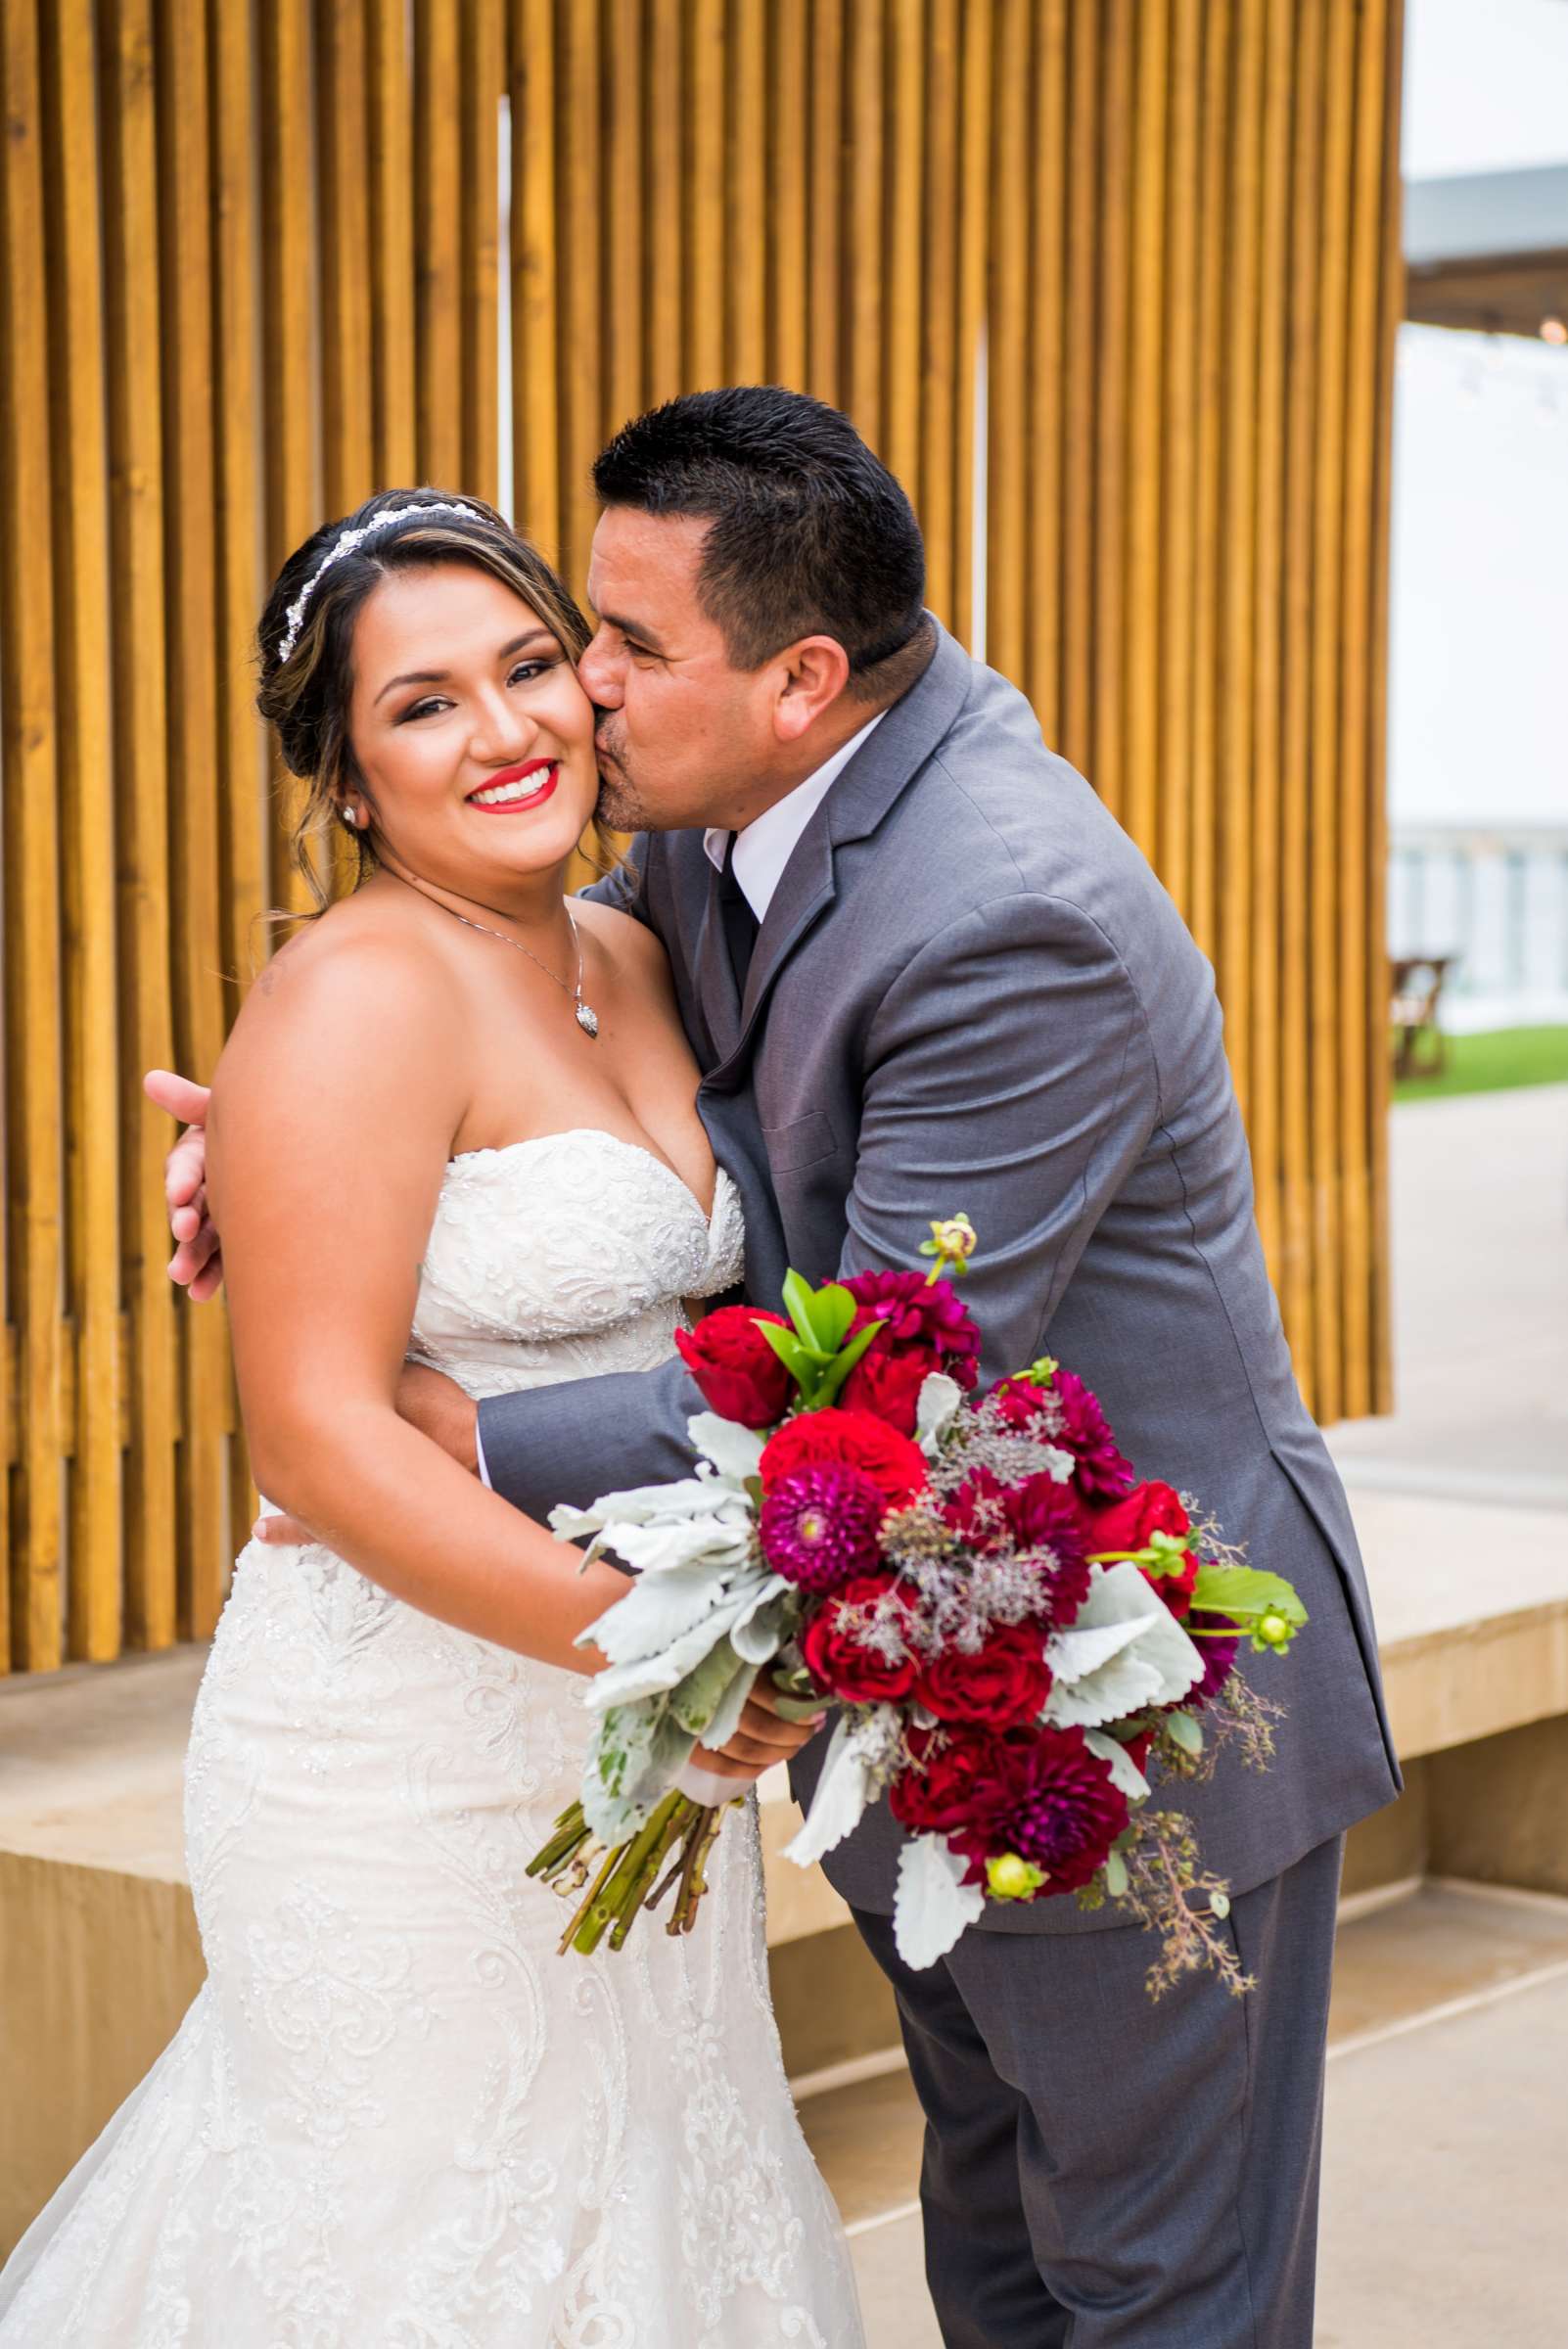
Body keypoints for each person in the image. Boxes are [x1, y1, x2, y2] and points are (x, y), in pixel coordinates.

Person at [156, 387, 1401, 2348]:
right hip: (562, 1734)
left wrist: (467, 1422)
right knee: (981, 2251)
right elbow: (417, 1083)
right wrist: (279, 1141)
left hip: (1126, 1707)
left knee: (1157, 2296)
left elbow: (885, 1381)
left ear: (804, 680)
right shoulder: (688, 852)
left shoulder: (994, 911)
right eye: (451, 693)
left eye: (591, 657)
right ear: (343, 768)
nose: (559, 712)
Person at [0, 489, 864, 2348]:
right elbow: (315, 1442)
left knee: (643, 2208)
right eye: (423, 704)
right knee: (410, 2245)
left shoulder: (636, 948)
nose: (506, 731)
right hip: (401, 1753)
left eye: (533, 666)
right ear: (346, 779)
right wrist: (676, 1659)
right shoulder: (353, 990)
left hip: (620, 1742)